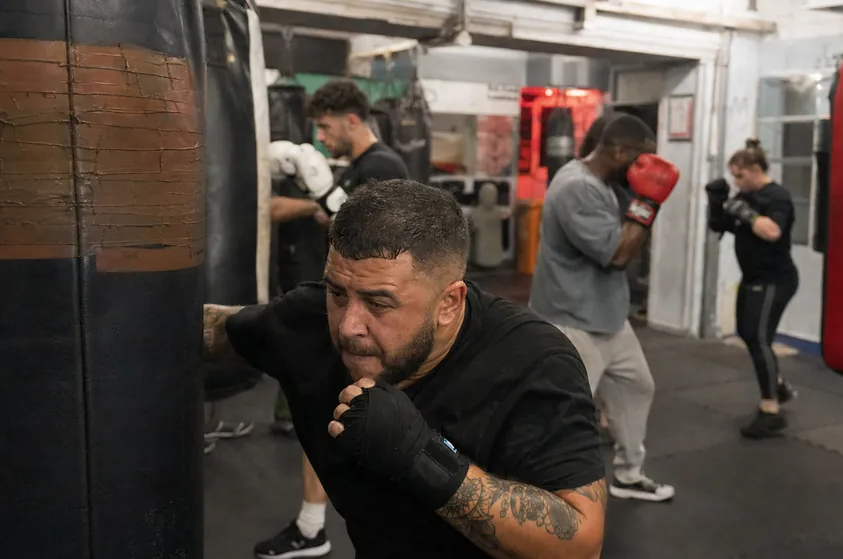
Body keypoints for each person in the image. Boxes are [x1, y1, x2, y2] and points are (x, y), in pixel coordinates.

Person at [204, 179, 607, 558]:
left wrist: (420, 456)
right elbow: (210, 330)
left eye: (378, 304)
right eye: (337, 293)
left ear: (449, 303)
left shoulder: (532, 361)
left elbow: (581, 542)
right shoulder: (307, 320)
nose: (348, 326)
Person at [255, 80, 410, 559]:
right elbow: (331, 215)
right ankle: (313, 525)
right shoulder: (367, 165)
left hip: (364, 313)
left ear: (352, 119)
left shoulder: (381, 165)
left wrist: (314, 178)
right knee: (330, 416)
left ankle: (320, 528)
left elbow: (356, 232)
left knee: (345, 418)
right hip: (356, 310)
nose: (322, 137)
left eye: (325, 126)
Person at [528, 114, 679, 502]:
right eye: (640, 160)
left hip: (607, 318)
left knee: (636, 387)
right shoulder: (576, 188)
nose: (644, 168)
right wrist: (648, 201)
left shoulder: (603, 184)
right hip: (572, 321)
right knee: (566, 412)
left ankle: (628, 475)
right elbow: (617, 254)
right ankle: (540, 489)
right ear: (618, 151)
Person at [705, 138, 799, 439]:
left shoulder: (777, 196)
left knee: (759, 339)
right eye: (733, 176)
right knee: (749, 335)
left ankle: (771, 410)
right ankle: (779, 386)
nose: (736, 181)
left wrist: (744, 211)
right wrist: (716, 202)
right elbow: (720, 227)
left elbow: (772, 231)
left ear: (756, 170)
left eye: (740, 176)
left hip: (776, 279)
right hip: (752, 278)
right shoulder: (745, 195)